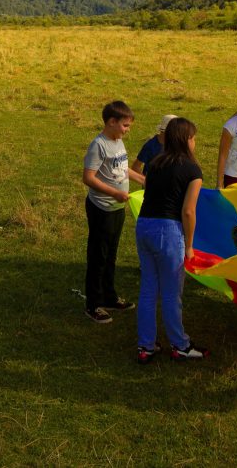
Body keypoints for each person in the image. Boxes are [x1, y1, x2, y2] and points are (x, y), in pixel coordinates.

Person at [135, 117, 210, 364]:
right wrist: (188, 246)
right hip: (168, 232)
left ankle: (146, 345)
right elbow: (188, 211)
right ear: (186, 140)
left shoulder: (156, 164)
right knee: (170, 292)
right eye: (193, 138)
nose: (195, 142)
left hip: (144, 226)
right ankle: (180, 345)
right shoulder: (192, 170)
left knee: (148, 288)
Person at [83, 101, 145, 323]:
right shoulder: (98, 145)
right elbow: (88, 177)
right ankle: (93, 304)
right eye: (125, 126)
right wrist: (114, 193)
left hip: (117, 208)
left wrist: (141, 179)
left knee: (111, 255)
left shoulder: (117, 142)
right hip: (102, 208)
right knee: (98, 256)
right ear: (111, 122)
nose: (127, 130)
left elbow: (121, 167)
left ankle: (109, 297)